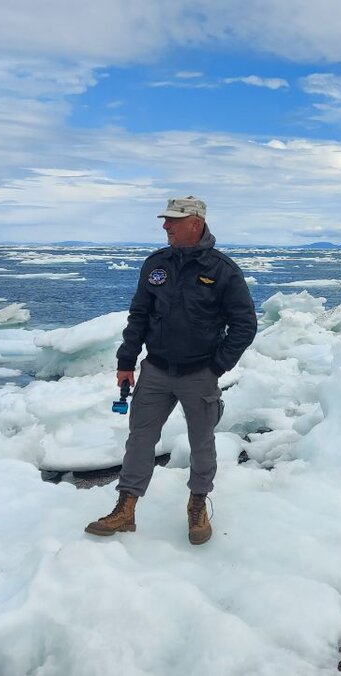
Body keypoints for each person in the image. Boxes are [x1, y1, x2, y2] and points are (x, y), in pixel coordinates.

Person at [85, 196, 257, 544]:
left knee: (201, 441)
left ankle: (196, 507)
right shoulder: (155, 265)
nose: (166, 226)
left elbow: (245, 324)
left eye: (173, 221)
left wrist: (217, 366)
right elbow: (139, 316)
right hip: (156, 371)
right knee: (140, 439)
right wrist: (126, 361)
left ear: (195, 223)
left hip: (199, 373)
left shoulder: (223, 270)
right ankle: (126, 508)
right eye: (166, 220)